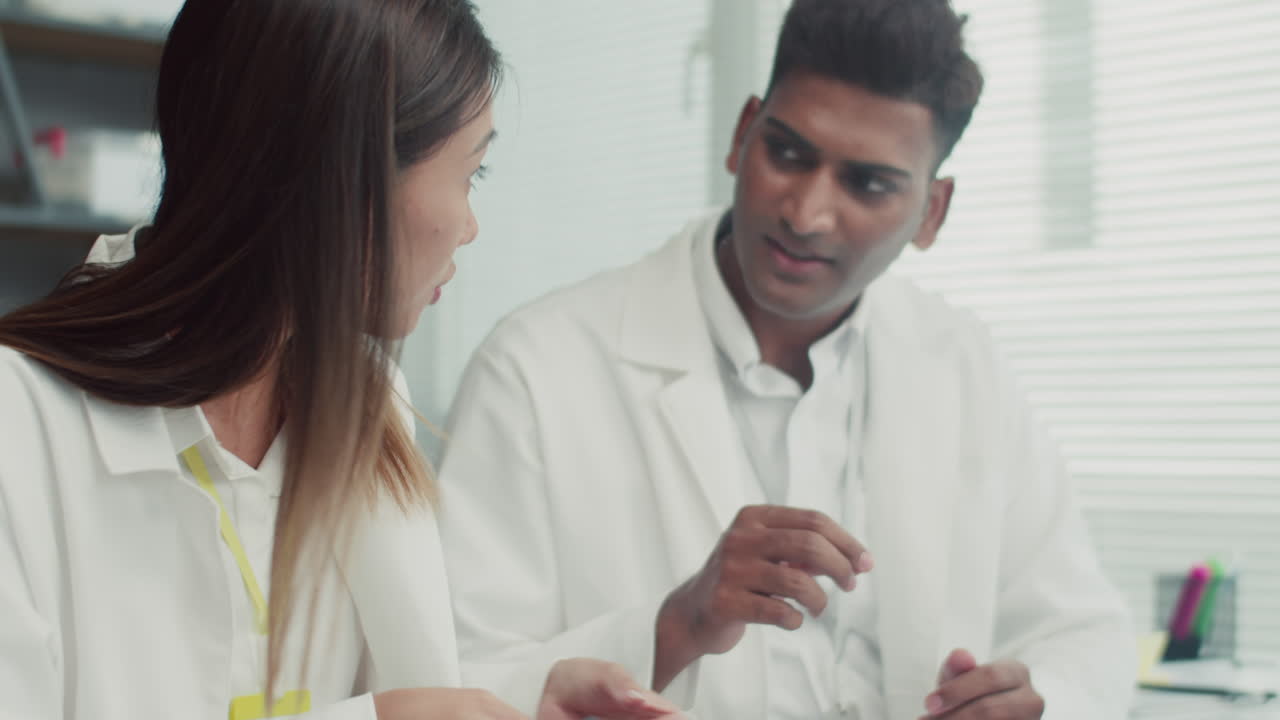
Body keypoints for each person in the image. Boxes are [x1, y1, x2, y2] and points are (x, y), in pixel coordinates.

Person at [436, 1, 1135, 718]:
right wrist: (676, 625)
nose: (805, 213)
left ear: (932, 212)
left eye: (867, 184)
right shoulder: (538, 367)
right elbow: (451, 682)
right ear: (742, 136)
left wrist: (1042, 701)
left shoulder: (965, 366)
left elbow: (1086, 636)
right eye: (789, 154)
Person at [0, 1, 684, 719]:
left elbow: (383, 686)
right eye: (471, 173)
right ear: (342, 181)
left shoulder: (365, 396)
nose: (470, 225)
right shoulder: (21, 428)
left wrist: (522, 701)